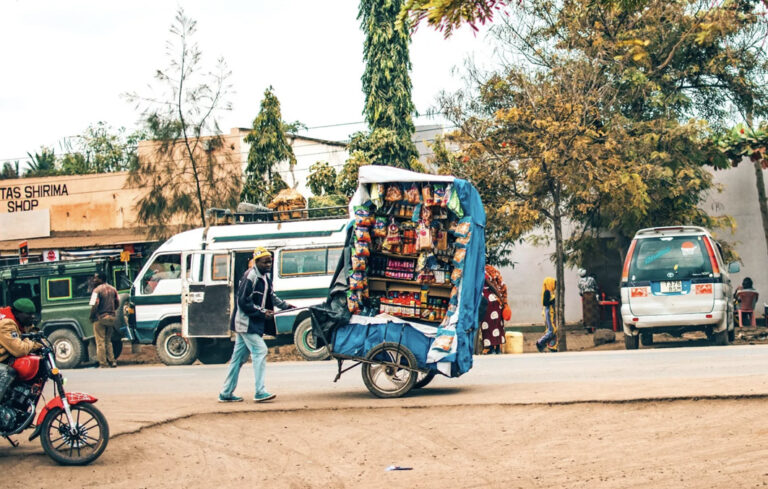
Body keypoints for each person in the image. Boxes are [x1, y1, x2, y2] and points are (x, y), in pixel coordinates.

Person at [219, 248, 295, 403]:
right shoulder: (250, 276)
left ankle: (226, 393)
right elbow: (243, 302)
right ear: (256, 262)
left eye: (270, 261)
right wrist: (262, 312)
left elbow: (271, 296)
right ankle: (260, 392)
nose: (269, 264)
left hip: (252, 322)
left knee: (237, 359)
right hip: (246, 323)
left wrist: (286, 306)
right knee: (260, 350)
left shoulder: (265, 278)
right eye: (265, 261)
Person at [0, 299, 43, 401]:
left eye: (33, 314)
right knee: (8, 372)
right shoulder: (6, 323)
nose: (32, 317)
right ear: (18, 313)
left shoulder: (22, 322)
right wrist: (34, 344)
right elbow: (19, 350)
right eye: (29, 314)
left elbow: (37, 335)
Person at [90, 271, 120, 368]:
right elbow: (117, 303)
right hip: (111, 318)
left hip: (100, 318)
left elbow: (94, 304)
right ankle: (112, 361)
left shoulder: (96, 290)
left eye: (96, 278)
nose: (94, 280)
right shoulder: (113, 289)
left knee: (100, 342)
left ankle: (103, 363)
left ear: (101, 279)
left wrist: (92, 316)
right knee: (108, 341)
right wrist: (112, 311)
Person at [480, 265, 510, 354]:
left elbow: (490, 285)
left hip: (488, 302)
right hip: (495, 301)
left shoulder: (482, 273)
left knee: (488, 326)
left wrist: (500, 298)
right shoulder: (492, 272)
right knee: (497, 325)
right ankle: (497, 348)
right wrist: (501, 299)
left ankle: (491, 348)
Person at [535, 277, 557, 352]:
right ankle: (540, 342)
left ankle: (552, 346)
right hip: (549, 312)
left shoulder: (551, 291)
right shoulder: (547, 292)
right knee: (551, 330)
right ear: (550, 283)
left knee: (552, 330)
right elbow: (545, 303)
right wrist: (553, 300)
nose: (555, 285)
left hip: (551, 312)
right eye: (554, 283)